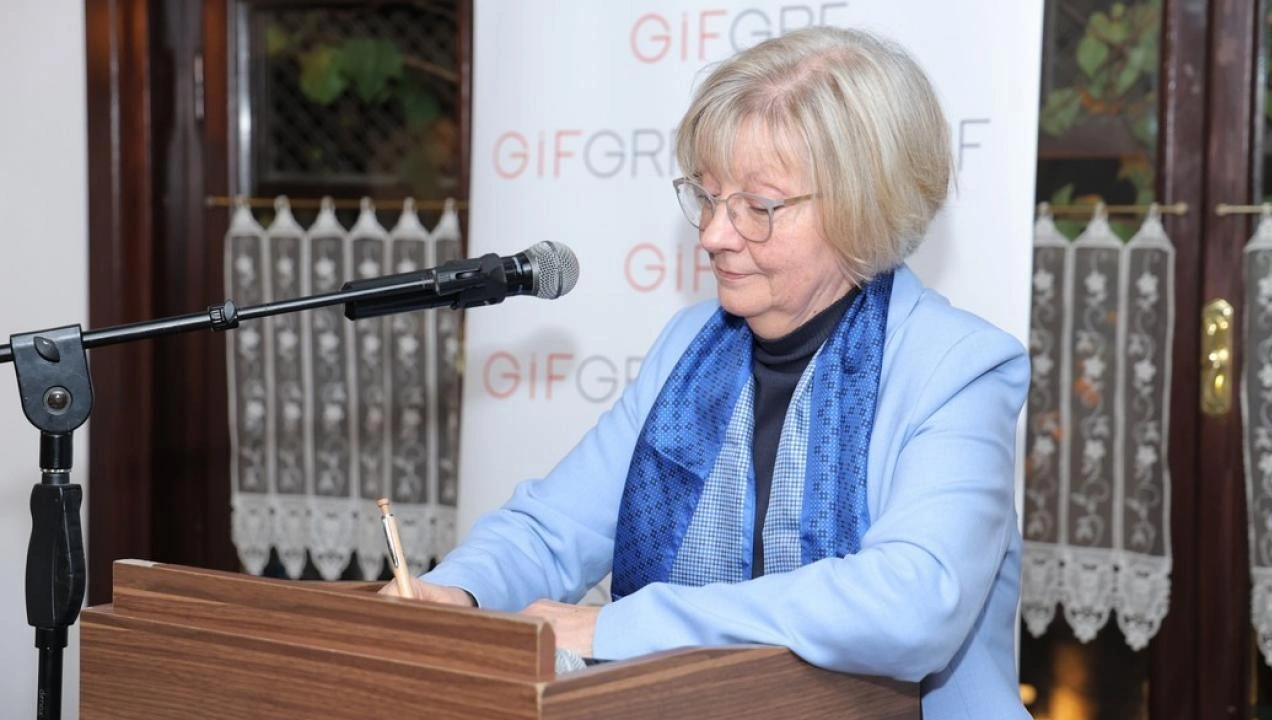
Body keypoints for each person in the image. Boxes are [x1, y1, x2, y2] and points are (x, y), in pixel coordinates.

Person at [382, 25, 1030, 718]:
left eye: (758, 207)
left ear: (864, 207)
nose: (715, 235)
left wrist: (619, 628)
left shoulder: (957, 368)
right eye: (709, 198)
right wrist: (458, 593)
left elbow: (909, 605)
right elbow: (554, 528)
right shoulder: (691, 343)